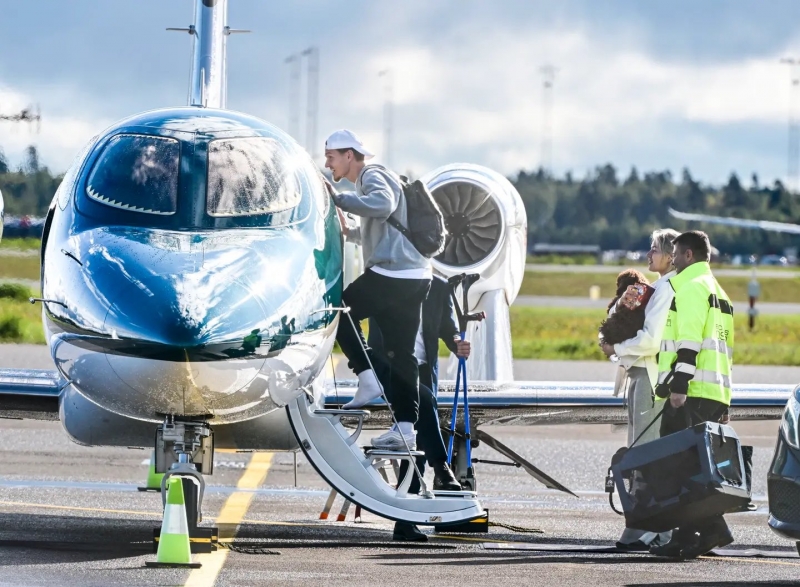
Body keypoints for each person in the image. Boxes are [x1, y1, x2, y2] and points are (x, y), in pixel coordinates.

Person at [324, 129, 431, 451]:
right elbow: (386, 225)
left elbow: (383, 205)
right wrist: (353, 232)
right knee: (401, 354)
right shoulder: (372, 180)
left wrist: (338, 198)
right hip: (414, 275)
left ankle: (368, 377)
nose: (328, 164)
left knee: (339, 312)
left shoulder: (372, 174)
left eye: (331, 157)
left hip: (392, 273)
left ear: (349, 155)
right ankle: (405, 428)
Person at [649, 230, 735, 560]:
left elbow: (690, 341)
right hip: (713, 391)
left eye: (675, 255)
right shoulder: (718, 291)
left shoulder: (690, 288)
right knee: (697, 467)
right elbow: (725, 352)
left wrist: (679, 387)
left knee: (678, 466)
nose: (672, 261)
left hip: (691, 392)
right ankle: (697, 533)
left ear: (688, 255)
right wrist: (725, 399)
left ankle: (703, 532)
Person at [368, 275, 468, 541]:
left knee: (418, 443)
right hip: (391, 369)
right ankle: (441, 466)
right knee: (424, 403)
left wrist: (457, 342)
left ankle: (406, 521)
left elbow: (448, 327)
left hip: (424, 371)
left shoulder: (439, 286)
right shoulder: (386, 281)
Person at [601, 229, 679, 551]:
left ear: (670, 256)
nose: (648, 255)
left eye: (654, 250)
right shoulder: (658, 287)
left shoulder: (666, 289)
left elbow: (650, 340)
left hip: (650, 376)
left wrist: (615, 347)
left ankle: (648, 528)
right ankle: (657, 529)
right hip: (639, 374)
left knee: (645, 455)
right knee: (641, 452)